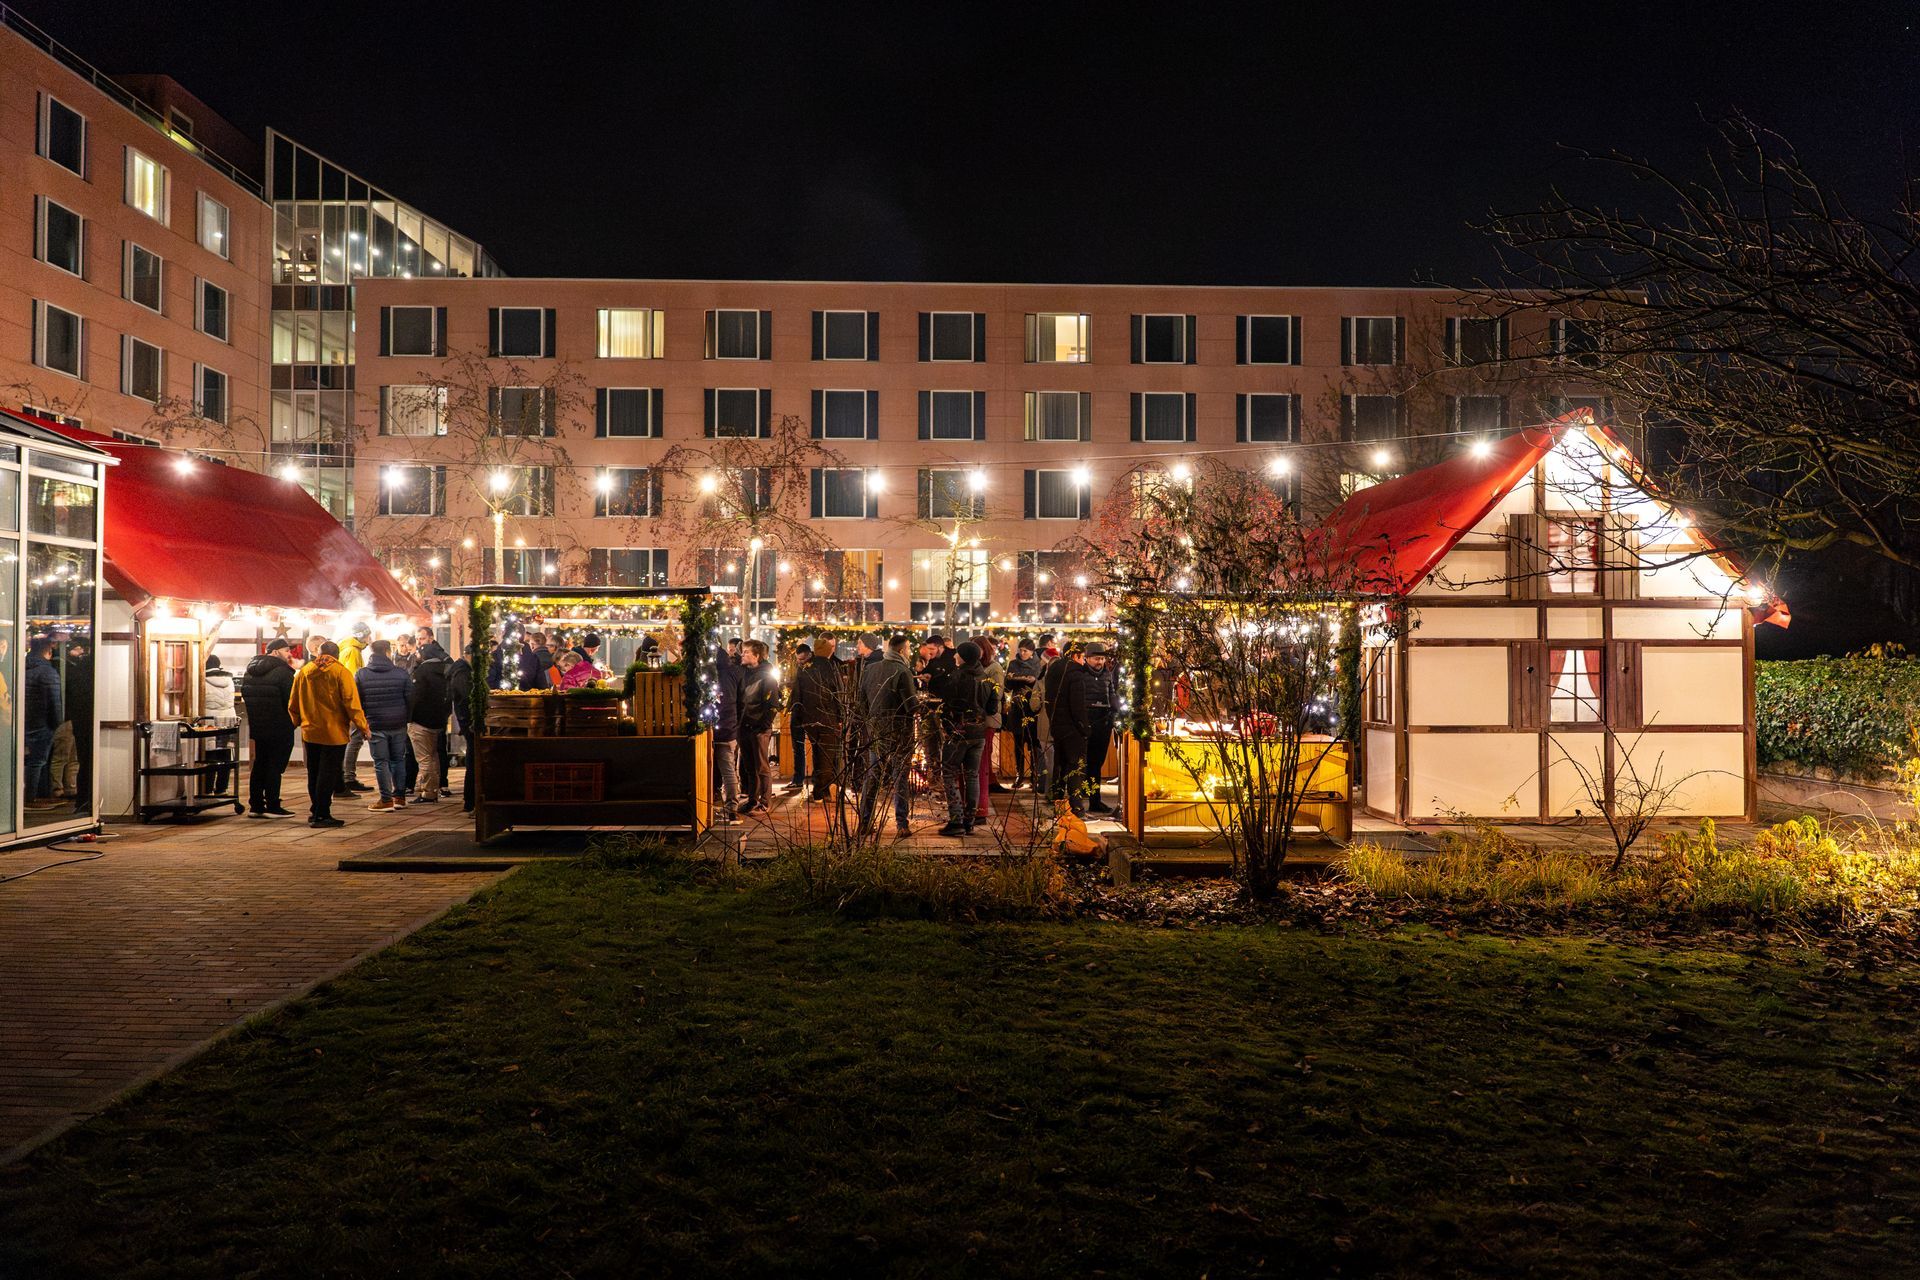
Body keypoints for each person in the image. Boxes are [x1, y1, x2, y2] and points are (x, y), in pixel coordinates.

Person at [288, 641, 369, 828]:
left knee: (314, 772)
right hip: (334, 732)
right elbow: (352, 703)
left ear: (320, 653)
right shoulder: (341, 672)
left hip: (310, 731)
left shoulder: (304, 672)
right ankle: (322, 814)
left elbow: (293, 703)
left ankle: (315, 810)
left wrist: (295, 722)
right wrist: (363, 727)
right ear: (337, 655)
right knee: (328, 773)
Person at [857, 633, 919, 837]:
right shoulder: (902, 671)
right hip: (900, 731)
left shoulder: (870, 669)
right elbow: (910, 705)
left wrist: (872, 721)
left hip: (876, 730)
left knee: (873, 776)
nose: (910, 652)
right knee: (900, 777)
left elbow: (861, 703)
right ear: (901, 650)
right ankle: (902, 824)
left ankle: (865, 823)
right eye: (908, 648)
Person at [938, 641, 997, 836]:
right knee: (972, 775)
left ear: (963, 657)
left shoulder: (957, 677)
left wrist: (947, 726)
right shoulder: (986, 678)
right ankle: (969, 820)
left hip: (958, 732)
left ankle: (956, 821)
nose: (954, 657)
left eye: (957, 654)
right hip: (978, 733)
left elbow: (947, 705)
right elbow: (992, 709)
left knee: (948, 773)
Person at [239, 639, 298, 818]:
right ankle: (273, 805)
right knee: (275, 765)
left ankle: (256, 805)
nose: (290, 654)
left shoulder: (249, 672)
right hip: (280, 725)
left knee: (260, 764)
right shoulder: (283, 672)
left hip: (259, 725)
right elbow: (292, 701)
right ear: (273, 652)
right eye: (287, 650)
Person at [354, 639, 413, 811]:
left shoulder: (362, 674)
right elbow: (410, 699)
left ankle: (386, 800)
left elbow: (358, 702)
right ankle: (399, 797)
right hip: (398, 723)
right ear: (388, 652)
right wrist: (406, 718)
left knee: (381, 762)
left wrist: (363, 723)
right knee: (398, 760)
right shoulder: (401, 673)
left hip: (375, 723)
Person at [1045, 644, 1094, 817]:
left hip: (1057, 725)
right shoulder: (1076, 674)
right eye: (1082, 657)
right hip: (1073, 728)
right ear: (1074, 656)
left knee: (1060, 765)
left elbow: (1048, 700)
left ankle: (1059, 804)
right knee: (1075, 766)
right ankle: (1077, 807)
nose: (1084, 661)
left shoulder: (1053, 671)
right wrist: (1084, 727)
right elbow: (1077, 705)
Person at [792, 641, 842, 802]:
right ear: (828, 651)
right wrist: (840, 717)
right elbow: (838, 694)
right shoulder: (831, 668)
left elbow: (797, 695)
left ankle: (819, 787)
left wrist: (799, 717)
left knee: (816, 752)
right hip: (828, 717)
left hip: (809, 718)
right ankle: (821, 791)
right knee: (827, 755)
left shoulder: (804, 669)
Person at [406, 639, 452, 804]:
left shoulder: (422, 672)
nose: (416, 655)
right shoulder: (444, 671)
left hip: (420, 721)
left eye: (419, 652)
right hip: (437, 721)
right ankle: (433, 787)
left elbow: (415, 697)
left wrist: (409, 716)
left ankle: (428, 792)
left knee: (425, 758)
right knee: (433, 756)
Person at [735, 640, 778, 815]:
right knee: (749, 767)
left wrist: (763, 726)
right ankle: (753, 800)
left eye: (746, 652)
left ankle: (765, 802)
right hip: (743, 727)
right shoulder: (742, 673)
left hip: (758, 728)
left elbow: (772, 704)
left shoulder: (766, 676)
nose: (742, 655)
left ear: (757, 656)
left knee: (761, 766)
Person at [22, 637, 61, 808]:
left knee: (28, 760)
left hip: (24, 720)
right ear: (48, 651)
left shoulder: (21, 666)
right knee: (38, 761)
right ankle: (31, 796)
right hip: (42, 722)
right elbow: (54, 700)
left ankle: (29, 794)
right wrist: (57, 722)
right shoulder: (47, 671)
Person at [338, 622, 372, 794]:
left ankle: (346, 776)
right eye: (368, 635)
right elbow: (352, 679)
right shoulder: (352, 651)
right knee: (355, 738)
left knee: (353, 739)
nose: (370, 639)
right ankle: (348, 777)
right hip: (351, 702)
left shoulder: (348, 648)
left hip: (346, 702)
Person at [1004, 639, 1043, 789]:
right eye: (1021, 650)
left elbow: (1037, 682)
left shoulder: (1037, 664)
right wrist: (1019, 680)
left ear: (1032, 652)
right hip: (1017, 707)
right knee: (1018, 742)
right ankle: (1019, 774)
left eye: (1025, 650)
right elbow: (1008, 682)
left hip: (1032, 707)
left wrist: (1026, 680)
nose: (1022, 653)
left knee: (1033, 742)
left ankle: (1035, 775)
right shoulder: (1013, 663)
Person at [711, 640, 743, 822]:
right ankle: (732, 807)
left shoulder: (710, 675)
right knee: (728, 767)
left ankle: (730, 806)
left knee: (725, 767)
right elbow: (740, 699)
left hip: (719, 727)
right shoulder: (734, 673)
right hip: (730, 725)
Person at [975, 634, 1006, 817]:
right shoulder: (982, 667)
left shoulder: (994, 668)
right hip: (981, 718)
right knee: (982, 759)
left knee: (984, 758)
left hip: (988, 718)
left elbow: (997, 693)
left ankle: (983, 801)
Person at [1084, 642, 1117, 814]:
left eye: (1102, 659)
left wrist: (1113, 709)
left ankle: (1095, 800)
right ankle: (1087, 797)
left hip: (1103, 724)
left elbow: (1111, 693)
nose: (1100, 662)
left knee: (1097, 764)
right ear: (1087, 658)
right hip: (1086, 724)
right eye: (1097, 658)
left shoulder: (1107, 674)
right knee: (1087, 764)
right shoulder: (1081, 674)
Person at [63, 640, 93, 814]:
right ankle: (84, 800)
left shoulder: (76, 672)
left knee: (83, 761)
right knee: (85, 761)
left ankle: (82, 801)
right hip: (85, 720)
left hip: (79, 720)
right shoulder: (88, 672)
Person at [202, 653, 238, 794]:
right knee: (226, 754)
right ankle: (222, 788)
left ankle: (207, 787)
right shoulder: (229, 679)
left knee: (209, 756)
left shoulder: (201, 679)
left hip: (210, 719)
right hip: (229, 718)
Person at [782, 642, 811, 794]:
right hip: (797, 710)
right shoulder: (795, 667)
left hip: (808, 711)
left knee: (804, 747)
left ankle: (801, 779)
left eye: (802, 659)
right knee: (797, 748)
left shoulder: (812, 669)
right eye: (798, 659)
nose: (800, 662)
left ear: (809, 655)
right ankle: (798, 779)